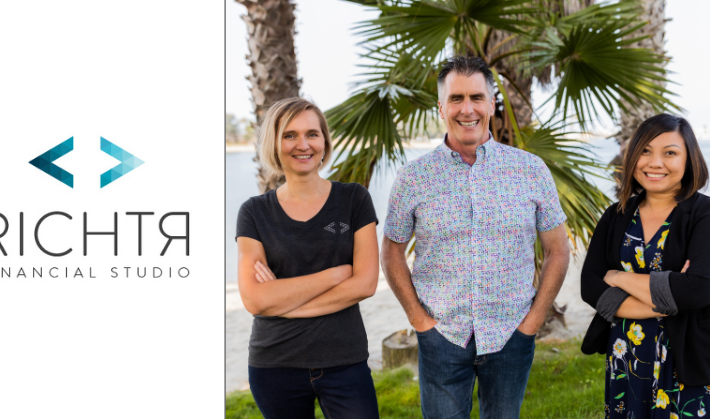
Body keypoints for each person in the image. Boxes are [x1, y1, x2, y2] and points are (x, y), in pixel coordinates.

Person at [381, 55, 570, 419]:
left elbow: (558, 251)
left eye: (476, 97)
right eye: (456, 98)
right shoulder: (413, 178)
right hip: (442, 336)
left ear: (491, 102)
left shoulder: (530, 170)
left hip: (511, 334)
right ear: (441, 106)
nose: (467, 109)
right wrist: (420, 321)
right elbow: (391, 253)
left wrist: (531, 322)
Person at [580, 114, 710, 418]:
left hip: (695, 360)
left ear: (689, 159)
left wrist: (617, 277)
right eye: (645, 151)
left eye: (670, 153)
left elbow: (697, 290)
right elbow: (590, 285)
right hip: (629, 359)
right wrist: (666, 297)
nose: (655, 163)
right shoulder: (616, 215)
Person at [235, 97, 380, 419]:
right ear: (274, 144)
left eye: (312, 134)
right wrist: (336, 275)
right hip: (275, 364)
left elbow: (366, 283)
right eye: (290, 135)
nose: (303, 144)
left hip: (344, 359)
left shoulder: (354, 199)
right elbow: (256, 300)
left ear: (324, 142)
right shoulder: (254, 212)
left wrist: (283, 302)